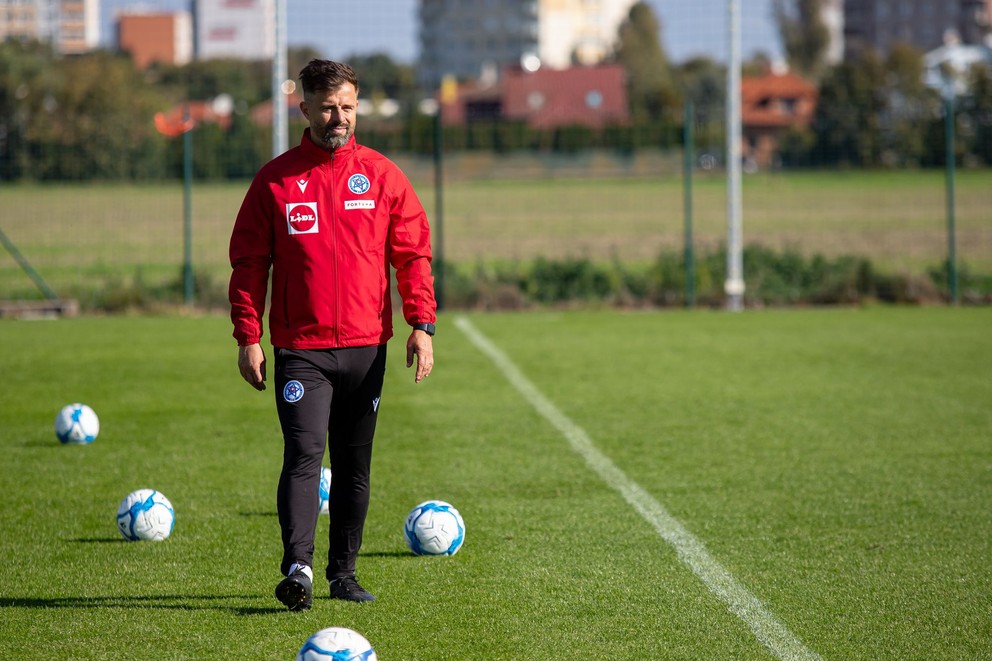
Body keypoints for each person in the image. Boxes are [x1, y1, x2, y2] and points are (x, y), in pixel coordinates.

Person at [228, 59, 436, 610]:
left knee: (353, 463)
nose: (338, 117)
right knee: (303, 453)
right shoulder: (276, 180)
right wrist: (248, 335)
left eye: (347, 106)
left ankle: (343, 574)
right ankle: (297, 569)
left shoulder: (383, 175)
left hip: (367, 348)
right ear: (304, 108)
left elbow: (412, 253)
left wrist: (421, 324)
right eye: (327, 106)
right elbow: (249, 263)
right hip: (302, 350)